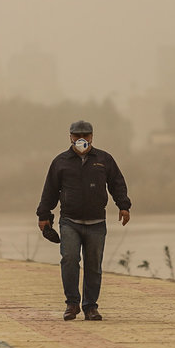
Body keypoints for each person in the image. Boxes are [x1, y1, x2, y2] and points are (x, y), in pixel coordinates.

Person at [36, 120, 131, 321]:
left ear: (92, 137)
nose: (81, 139)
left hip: (97, 222)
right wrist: (43, 215)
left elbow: (117, 183)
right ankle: (72, 304)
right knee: (69, 259)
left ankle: (90, 307)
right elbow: (50, 190)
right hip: (70, 221)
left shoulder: (104, 159)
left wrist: (124, 206)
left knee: (93, 264)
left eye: (85, 136)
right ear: (70, 137)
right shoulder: (60, 162)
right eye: (77, 136)